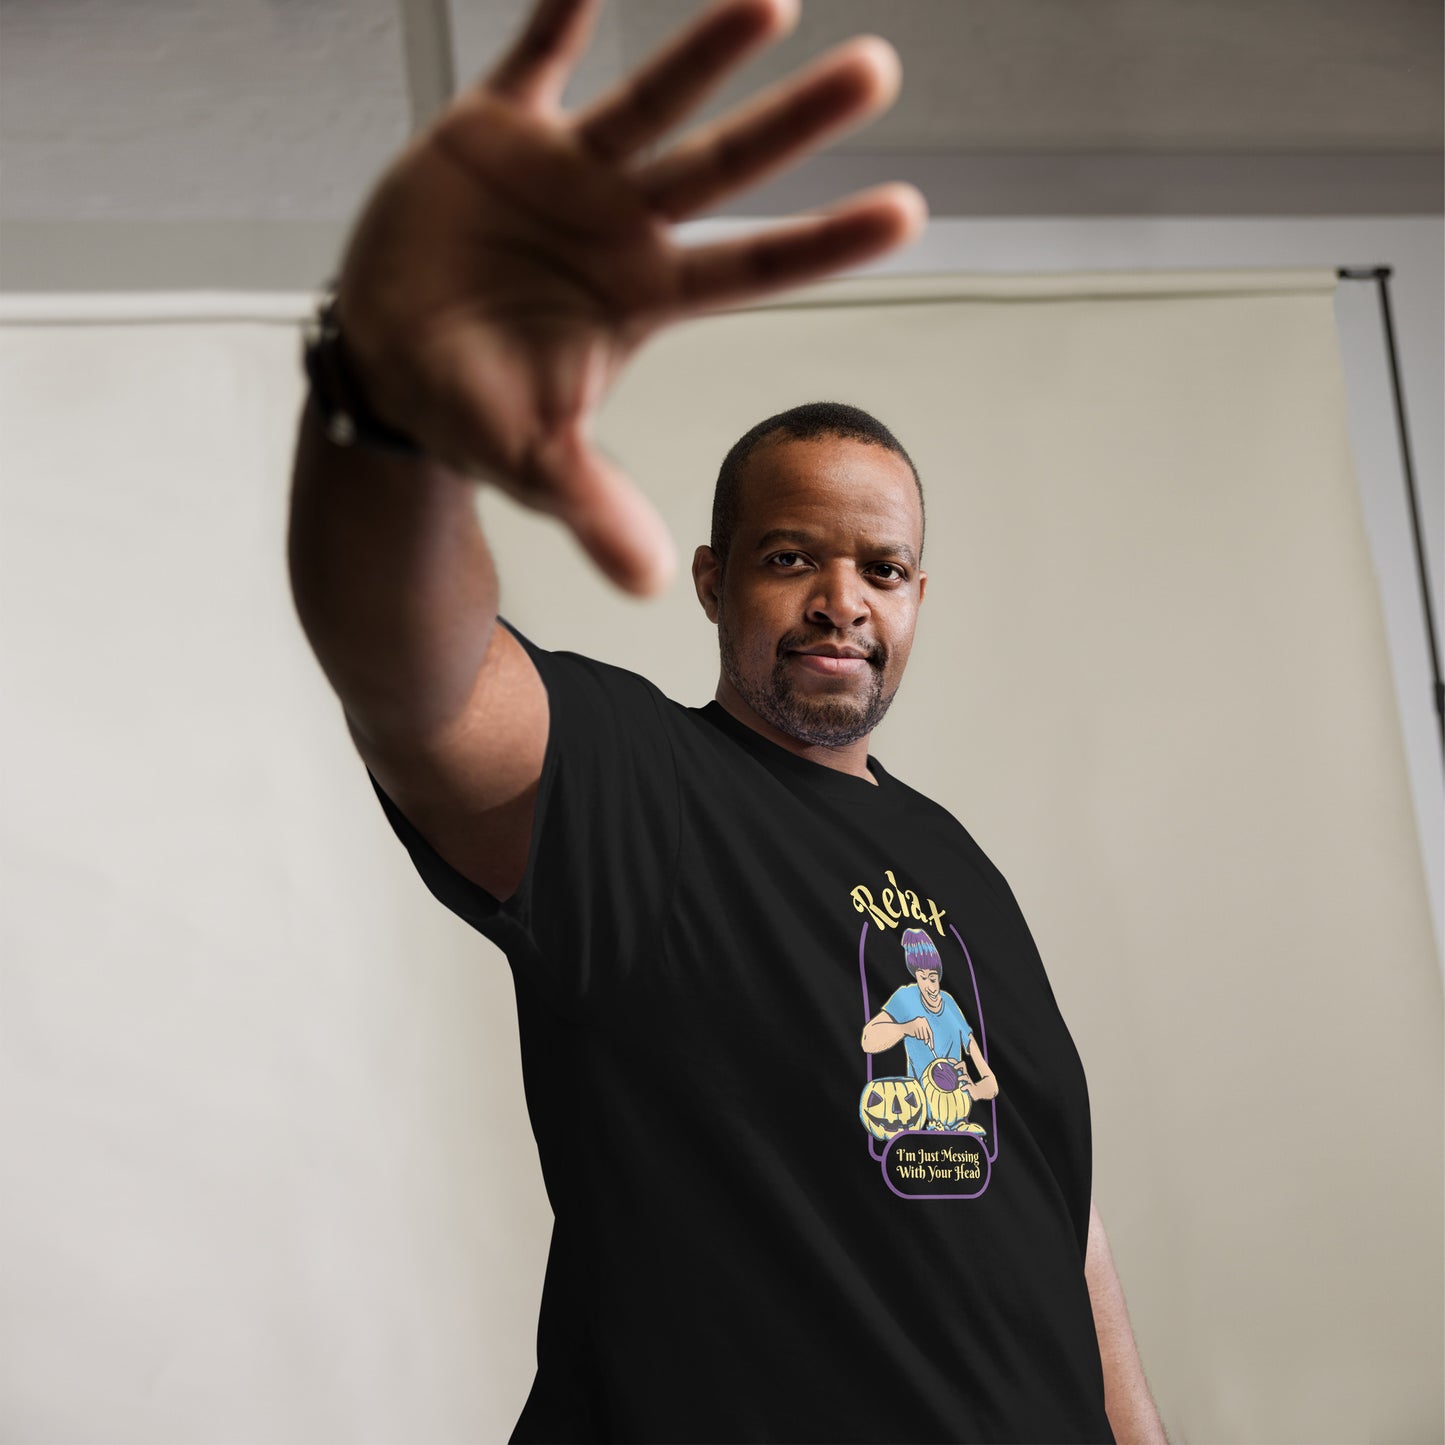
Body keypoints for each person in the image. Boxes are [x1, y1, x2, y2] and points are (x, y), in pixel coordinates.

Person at [286, 0, 1168, 1440]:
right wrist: (391, 408)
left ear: (918, 594)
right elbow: (419, 686)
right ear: (712, 579)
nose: (840, 598)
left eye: (879, 568)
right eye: (788, 556)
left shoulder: (957, 859)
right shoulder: (647, 787)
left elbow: (1059, 1218)